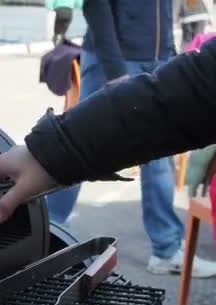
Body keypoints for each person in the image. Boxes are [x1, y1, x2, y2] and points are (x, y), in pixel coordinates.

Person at [0, 37, 216, 278]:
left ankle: (165, 247)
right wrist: (54, 151)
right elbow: (197, 88)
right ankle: (51, 228)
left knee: (159, 171)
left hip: (154, 57)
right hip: (121, 59)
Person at [41, 0, 216, 277]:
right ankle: (44, 231)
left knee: (159, 157)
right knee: (80, 145)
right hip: (114, 60)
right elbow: (97, 5)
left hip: (154, 58)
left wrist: (168, 54)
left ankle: (166, 249)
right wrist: (114, 70)